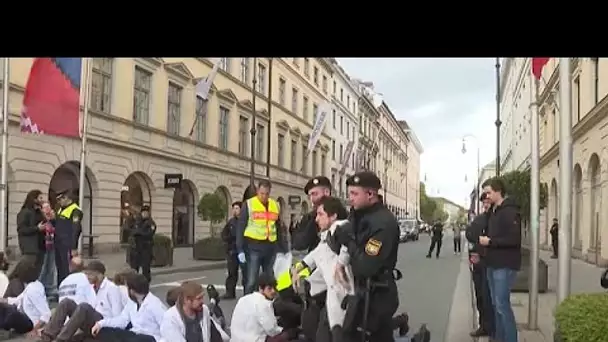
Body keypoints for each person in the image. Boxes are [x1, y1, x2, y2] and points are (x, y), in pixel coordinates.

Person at [336, 171, 400, 341]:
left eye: (354, 194)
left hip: (378, 293)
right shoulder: (358, 214)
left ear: (370, 194)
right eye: (350, 193)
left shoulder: (384, 223)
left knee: (374, 336)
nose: (350, 198)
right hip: (361, 292)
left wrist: (348, 242)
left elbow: (366, 266)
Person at [291, 196, 353, 342]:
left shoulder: (340, 228)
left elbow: (348, 240)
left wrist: (341, 262)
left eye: (320, 214)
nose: (316, 219)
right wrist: (297, 268)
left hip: (345, 296)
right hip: (332, 296)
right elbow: (315, 255)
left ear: (333, 216)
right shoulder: (326, 236)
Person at [479, 177, 521, 342]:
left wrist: (490, 242)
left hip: (505, 265)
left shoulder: (510, 211)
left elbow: (514, 239)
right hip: (492, 263)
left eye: (488, 192)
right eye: (484, 193)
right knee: (496, 305)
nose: (486, 196)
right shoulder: (494, 212)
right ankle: (499, 338)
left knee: (502, 306)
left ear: (498, 191)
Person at [41, 260, 125, 342]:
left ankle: (61, 340)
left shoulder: (112, 288)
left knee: (84, 306)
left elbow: (117, 316)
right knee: (66, 302)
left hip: (105, 326)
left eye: (90, 274)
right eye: (86, 274)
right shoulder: (92, 287)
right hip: (92, 324)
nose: (87, 277)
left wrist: (102, 323)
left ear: (100, 275)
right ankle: (47, 336)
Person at [236, 180, 282, 294]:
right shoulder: (249, 204)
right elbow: (241, 227)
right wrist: (240, 249)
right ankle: (248, 304)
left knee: (270, 280)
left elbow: (278, 227)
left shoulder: (275, 205)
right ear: (257, 191)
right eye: (262, 193)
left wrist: (282, 247)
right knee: (252, 280)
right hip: (253, 247)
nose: (264, 196)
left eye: (267, 193)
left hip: (270, 247)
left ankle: (267, 304)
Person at [89, 273, 166, 342]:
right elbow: (122, 320)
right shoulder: (132, 302)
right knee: (105, 331)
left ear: (132, 291)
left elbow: (166, 330)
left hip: (150, 338)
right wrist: (101, 323)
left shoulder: (155, 305)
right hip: (134, 333)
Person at [230, 273, 298, 342]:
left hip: (235, 339)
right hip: (255, 339)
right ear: (260, 289)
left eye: (274, 288)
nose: (273, 291)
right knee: (289, 335)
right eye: (269, 288)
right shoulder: (264, 304)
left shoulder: (243, 299)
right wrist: (287, 331)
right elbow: (271, 330)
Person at [465, 192, 495, 338]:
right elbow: (469, 234)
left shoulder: (496, 218)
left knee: (490, 297)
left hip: (492, 262)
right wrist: (478, 239)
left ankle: (492, 327)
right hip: (479, 261)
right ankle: (484, 325)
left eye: (488, 202)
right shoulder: (479, 219)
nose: (486, 204)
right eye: (484, 202)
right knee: (480, 296)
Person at [160, 281, 229, 342]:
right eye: (199, 298)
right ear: (187, 300)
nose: (202, 301)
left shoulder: (204, 310)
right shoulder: (170, 319)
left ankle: (213, 302)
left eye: (202, 297)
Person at [1, 258, 51, 337]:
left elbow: (46, 314)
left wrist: (34, 330)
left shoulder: (34, 289)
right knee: (4, 308)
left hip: (30, 322)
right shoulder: (29, 286)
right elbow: (16, 300)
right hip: (24, 317)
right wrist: (2, 300)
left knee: (13, 315)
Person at [292, 176, 332, 252]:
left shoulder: (342, 215)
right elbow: (298, 244)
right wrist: (313, 222)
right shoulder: (309, 217)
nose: (312, 199)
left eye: (315, 194)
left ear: (327, 192)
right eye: (310, 195)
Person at [54, 189, 83, 285]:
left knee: (67, 269)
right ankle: (60, 287)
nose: (59, 202)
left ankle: (68, 288)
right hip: (58, 243)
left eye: (60, 199)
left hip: (67, 244)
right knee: (60, 268)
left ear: (66, 198)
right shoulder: (61, 209)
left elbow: (76, 229)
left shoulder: (75, 210)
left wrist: (73, 247)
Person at [16, 189, 46, 277]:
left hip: (41, 247)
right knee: (24, 268)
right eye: (40, 198)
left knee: (37, 272)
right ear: (34, 199)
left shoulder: (39, 212)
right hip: (30, 248)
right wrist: (37, 228)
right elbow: (21, 229)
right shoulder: (25, 212)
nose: (42, 200)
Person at [220, 201, 246, 299]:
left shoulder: (245, 221)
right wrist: (228, 241)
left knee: (246, 274)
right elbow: (224, 234)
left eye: (237, 208)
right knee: (232, 273)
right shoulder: (231, 222)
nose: (235, 211)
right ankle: (230, 292)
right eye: (233, 208)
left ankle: (247, 293)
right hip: (232, 251)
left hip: (243, 251)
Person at [128, 205, 156, 282]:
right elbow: (132, 231)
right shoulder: (137, 222)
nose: (144, 214)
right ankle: (134, 282)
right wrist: (139, 232)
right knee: (134, 267)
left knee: (145, 268)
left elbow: (149, 233)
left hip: (146, 248)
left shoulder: (151, 223)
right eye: (143, 212)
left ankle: (146, 283)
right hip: (136, 248)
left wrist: (139, 232)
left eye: (146, 212)